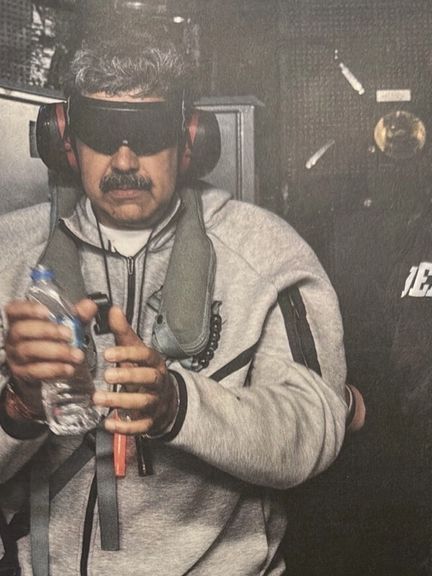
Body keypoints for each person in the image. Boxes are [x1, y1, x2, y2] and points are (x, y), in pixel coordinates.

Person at [0, 27, 348, 576]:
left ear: (189, 140)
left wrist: (179, 406)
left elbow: (315, 428)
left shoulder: (268, 252)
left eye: (147, 133)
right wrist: (19, 406)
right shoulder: (7, 257)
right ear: (64, 139)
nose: (123, 160)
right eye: (101, 133)